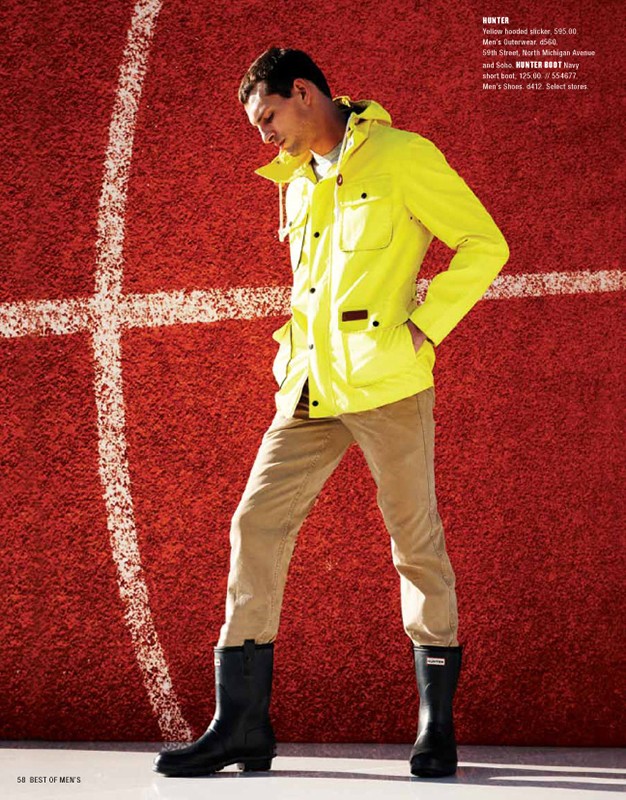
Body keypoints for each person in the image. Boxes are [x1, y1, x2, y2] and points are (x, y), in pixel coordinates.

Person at [153, 47, 509, 779]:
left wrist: (425, 328)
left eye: (268, 116)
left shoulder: (403, 157)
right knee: (255, 523)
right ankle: (242, 724)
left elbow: (484, 244)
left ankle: (435, 728)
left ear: (304, 93)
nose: (264, 135)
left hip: (387, 383)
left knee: (414, 541)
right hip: (309, 388)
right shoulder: (294, 180)